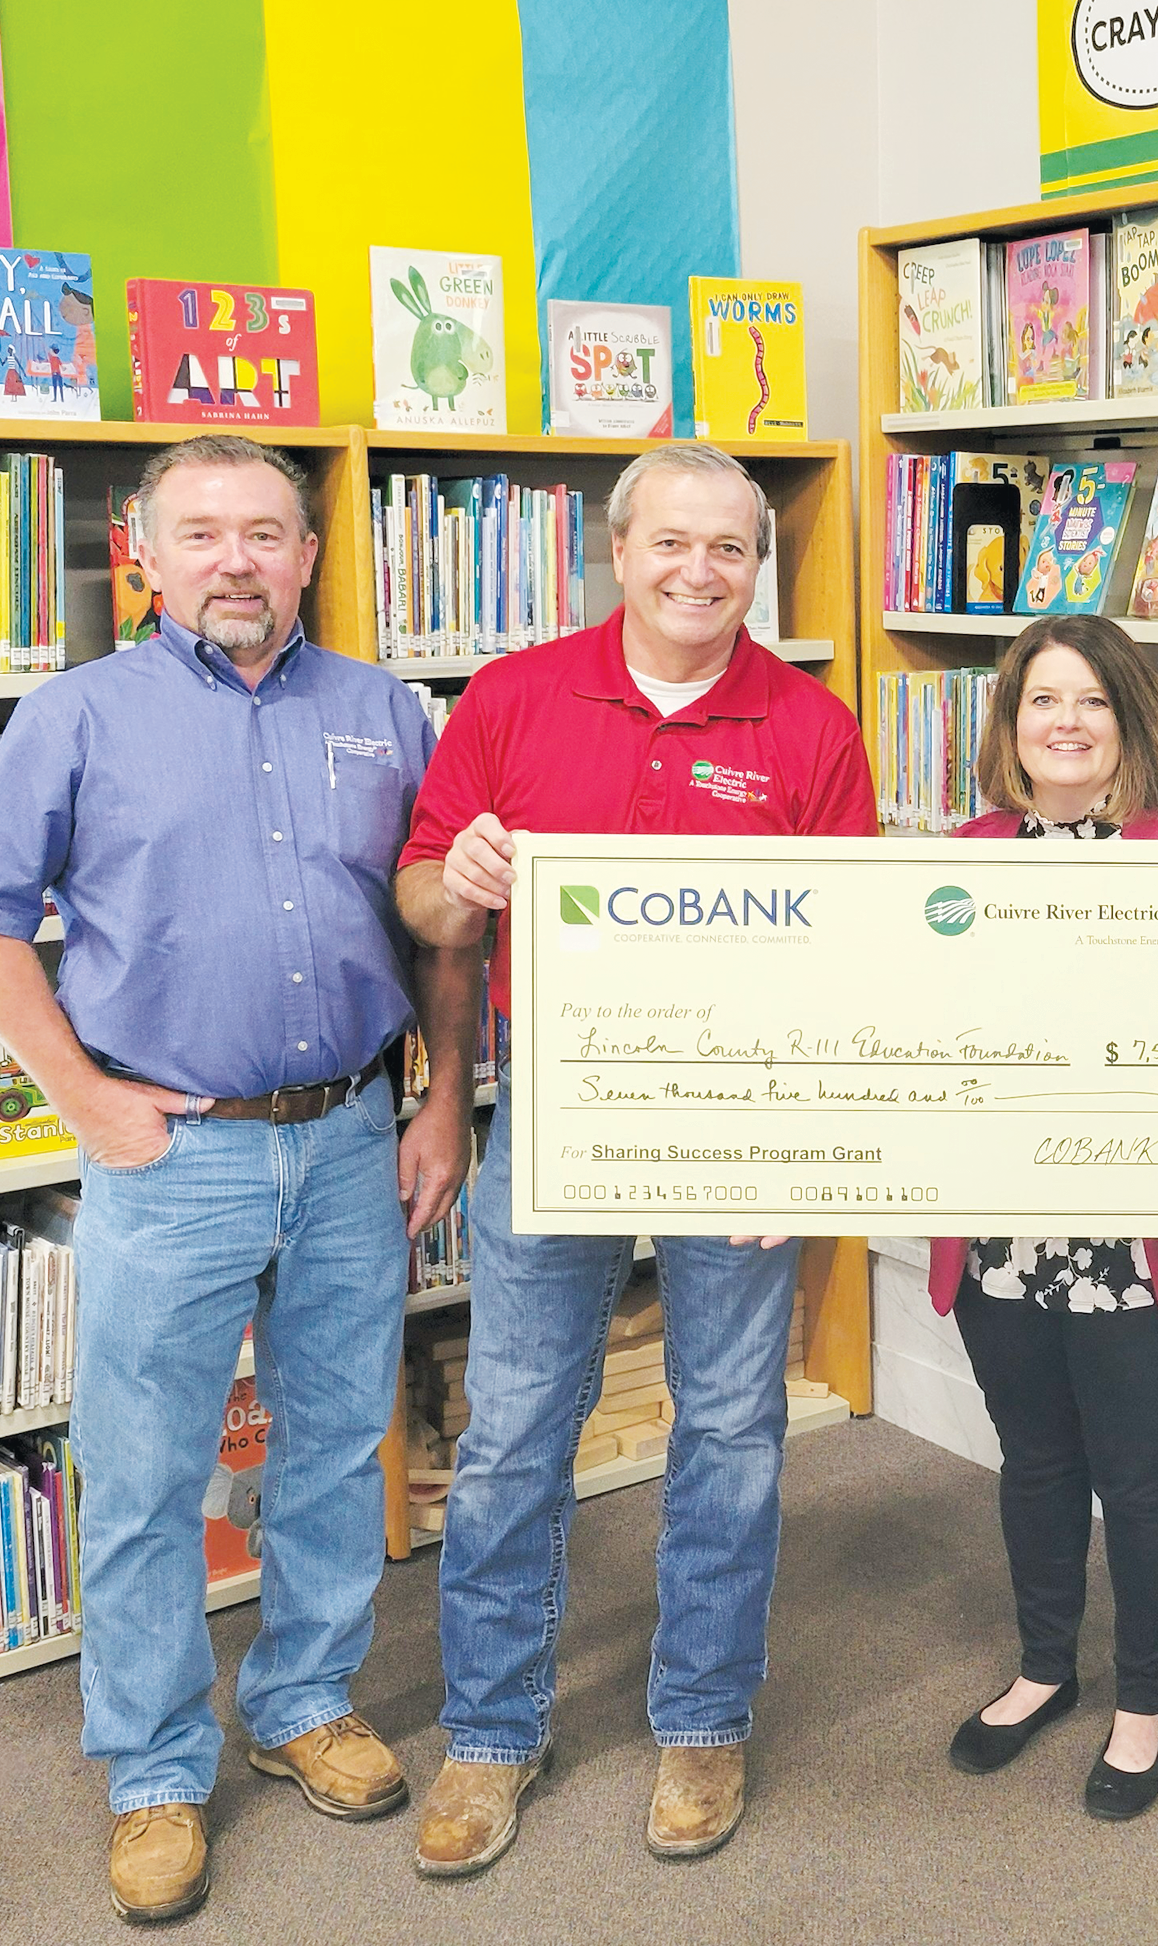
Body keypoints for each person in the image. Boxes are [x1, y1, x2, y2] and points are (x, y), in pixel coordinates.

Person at [0, 433, 476, 1926]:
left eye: (268, 531)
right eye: (205, 532)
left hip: (358, 1133)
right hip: (178, 1159)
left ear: (309, 553)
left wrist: (441, 1101)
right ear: (145, 557)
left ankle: (301, 1698)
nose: (239, 558)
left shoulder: (384, 711)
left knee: (332, 1438)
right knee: (152, 1474)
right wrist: (86, 1097)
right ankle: (156, 1767)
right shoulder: (80, 714)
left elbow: (438, 926)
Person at [396, 439, 877, 1873]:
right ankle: (491, 1731)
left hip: (742, 1122)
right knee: (514, 1430)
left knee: (730, 1427)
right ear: (618, 549)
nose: (699, 571)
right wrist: (459, 885)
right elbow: (424, 894)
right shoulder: (514, 695)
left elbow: (850, 946)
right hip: (557, 1112)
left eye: (729, 548)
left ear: (755, 561)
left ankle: (704, 1714)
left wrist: (796, 1150)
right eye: (671, 542)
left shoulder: (810, 722)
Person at [928, 617, 1158, 1821]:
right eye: (1040, 702)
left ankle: (1142, 1700)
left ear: (1130, 721)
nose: (1064, 723)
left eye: (1091, 702)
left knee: (1140, 1471)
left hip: (1143, 1243)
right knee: (1036, 1460)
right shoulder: (954, 861)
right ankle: (1041, 1667)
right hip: (1004, 1237)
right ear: (1010, 727)